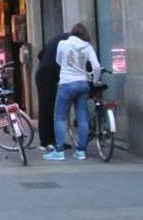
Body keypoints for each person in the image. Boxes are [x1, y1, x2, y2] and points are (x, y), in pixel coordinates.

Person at [44, 23, 102, 162]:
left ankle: (59, 151)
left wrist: (67, 66)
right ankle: (81, 151)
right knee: (82, 117)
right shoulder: (87, 47)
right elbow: (96, 66)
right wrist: (95, 81)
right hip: (82, 83)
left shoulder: (63, 44)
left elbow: (58, 61)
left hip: (66, 83)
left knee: (60, 117)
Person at [36, 32, 68, 151]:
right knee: (48, 108)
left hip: (43, 73)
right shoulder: (71, 43)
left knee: (47, 108)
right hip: (49, 75)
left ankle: (52, 140)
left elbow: (40, 55)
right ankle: (46, 141)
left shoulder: (56, 39)